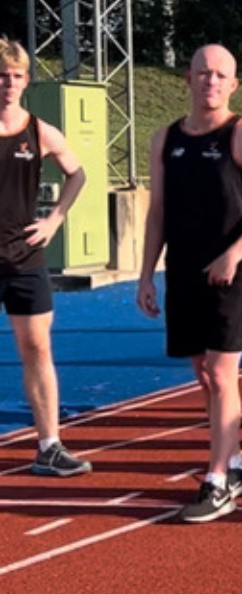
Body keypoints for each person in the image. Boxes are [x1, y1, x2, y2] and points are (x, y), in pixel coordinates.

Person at [136, 44, 242, 523]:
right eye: (203, 73)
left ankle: (216, 480)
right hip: (183, 271)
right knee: (203, 373)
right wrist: (146, 274)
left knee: (222, 375)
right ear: (189, 78)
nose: (211, 81)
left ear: (234, 84)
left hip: (231, 273)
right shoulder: (165, 139)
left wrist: (235, 253)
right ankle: (236, 461)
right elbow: (158, 212)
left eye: (221, 75)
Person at [0, 37, 90, 477]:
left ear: (26, 81)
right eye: (2, 76)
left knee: (37, 347)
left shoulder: (40, 131)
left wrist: (55, 219)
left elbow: (78, 174)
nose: (8, 83)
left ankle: (49, 445)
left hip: (24, 257)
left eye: (16, 76)